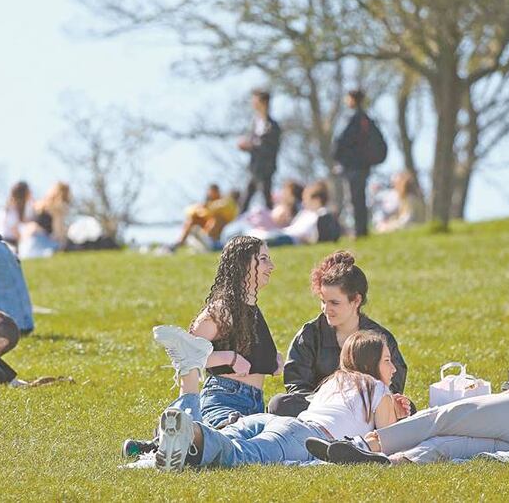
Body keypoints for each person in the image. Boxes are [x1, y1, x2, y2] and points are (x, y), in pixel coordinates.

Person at [309, 320, 509, 466]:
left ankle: (365, 444)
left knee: (443, 417)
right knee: (448, 445)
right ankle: (390, 462)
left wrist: (480, 400)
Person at [123, 236, 281, 457]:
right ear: (245, 264)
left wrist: (272, 359)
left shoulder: (251, 308)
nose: (271, 266)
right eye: (263, 259)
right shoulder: (222, 310)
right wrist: (230, 358)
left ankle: (159, 445)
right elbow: (188, 357)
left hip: (252, 402)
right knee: (224, 439)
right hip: (224, 398)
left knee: (251, 443)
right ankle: (158, 446)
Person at [153, 330, 399, 472]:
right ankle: (190, 430)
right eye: (387, 360)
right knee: (244, 455)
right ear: (369, 364)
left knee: (227, 437)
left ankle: (177, 438)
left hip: (277, 422)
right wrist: (398, 411)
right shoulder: (378, 389)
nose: (394, 368)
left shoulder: (336, 381)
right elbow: (391, 439)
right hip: (305, 436)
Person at [268, 251, 409, 417]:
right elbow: (297, 385)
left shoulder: (380, 338)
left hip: (366, 411)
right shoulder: (309, 335)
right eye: (323, 301)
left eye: (334, 303)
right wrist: (329, 402)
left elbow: (393, 387)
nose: (326, 309)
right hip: (321, 410)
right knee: (280, 403)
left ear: (356, 300)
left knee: (407, 408)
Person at [333, 89, 383, 237]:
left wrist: (337, 158)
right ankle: (362, 229)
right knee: (360, 198)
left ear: (352, 100)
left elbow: (340, 140)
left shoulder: (351, 118)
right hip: (364, 165)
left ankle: (358, 231)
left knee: (354, 199)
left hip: (352, 166)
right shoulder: (366, 119)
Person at [238, 90, 281, 212]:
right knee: (245, 200)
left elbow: (270, 147)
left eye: (256, 101)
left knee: (266, 198)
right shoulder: (255, 123)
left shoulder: (272, 126)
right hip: (254, 168)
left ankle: (273, 223)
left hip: (266, 169)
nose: (253, 104)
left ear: (264, 103)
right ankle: (238, 225)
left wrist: (252, 145)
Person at [172, 184, 239, 250]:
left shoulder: (225, 202)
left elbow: (216, 208)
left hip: (220, 233)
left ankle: (211, 242)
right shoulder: (209, 203)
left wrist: (203, 209)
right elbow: (189, 211)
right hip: (206, 231)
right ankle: (180, 242)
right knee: (193, 219)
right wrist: (202, 210)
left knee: (217, 219)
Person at [0, 181, 34, 247]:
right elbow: (15, 231)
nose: (31, 193)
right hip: (7, 242)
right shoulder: (10, 209)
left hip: (14, 241)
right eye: (28, 192)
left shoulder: (24, 209)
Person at [35, 182, 72, 247]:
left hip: (33, 240)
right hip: (45, 241)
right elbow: (58, 233)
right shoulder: (57, 209)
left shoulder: (40, 205)